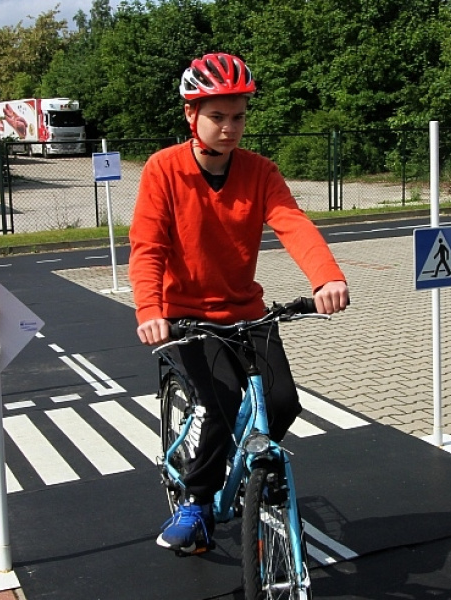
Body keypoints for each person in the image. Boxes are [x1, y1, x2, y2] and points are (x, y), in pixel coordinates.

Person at [128, 52, 350, 554]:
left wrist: (326, 278)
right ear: (191, 115)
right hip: (186, 315)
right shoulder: (164, 170)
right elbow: (148, 247)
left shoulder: (259, 171)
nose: (230, 128)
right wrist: (150, 310)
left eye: (239, 116)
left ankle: (240, 463)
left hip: (247, 311)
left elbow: (293, 224)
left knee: (282, 402)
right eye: (217, 116)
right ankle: (196, 502)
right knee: (221, 401)